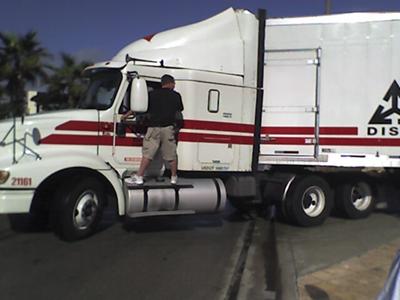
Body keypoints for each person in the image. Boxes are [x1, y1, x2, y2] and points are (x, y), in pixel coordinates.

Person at [122, 74, 184, 185]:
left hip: (154, 128)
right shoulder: (176, 96)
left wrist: (126, 115)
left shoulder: (151, 95)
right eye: (174, 83)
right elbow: (179, 111)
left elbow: (139, 108)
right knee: (171, 155)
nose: (174, 85)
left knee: (148, 154)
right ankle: (174, 177)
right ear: (170, 83)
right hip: (168, 128)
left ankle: (139, 177)